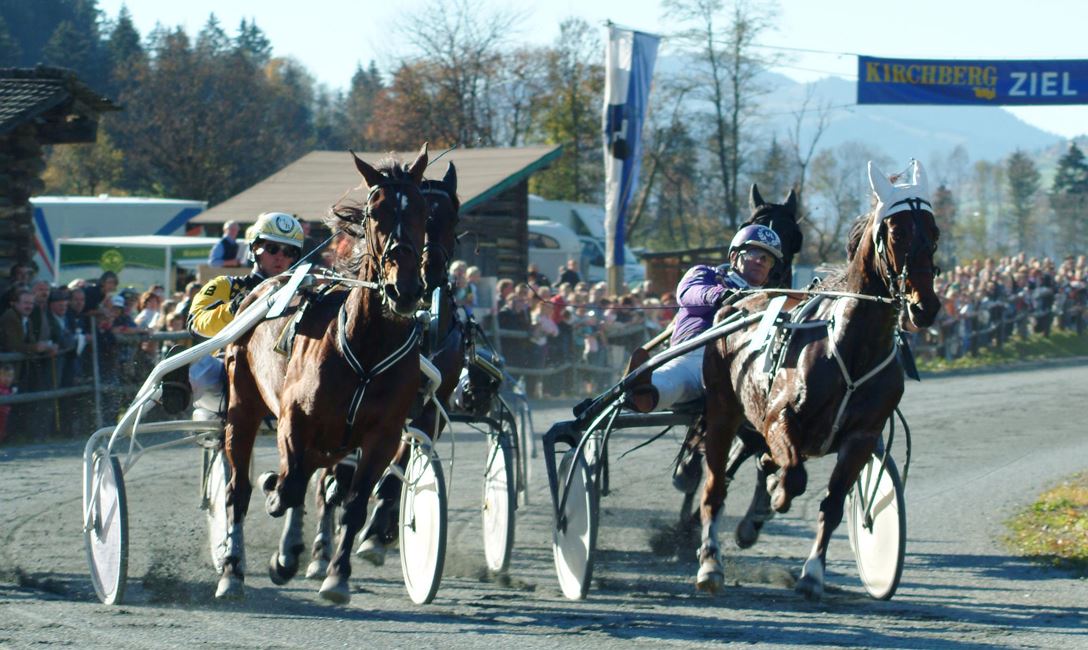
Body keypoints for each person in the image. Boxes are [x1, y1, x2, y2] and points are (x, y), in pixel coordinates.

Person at [627, 224, 782, 413]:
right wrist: (722, 295)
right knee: (677, 379)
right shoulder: (707, 274)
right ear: (734, 257)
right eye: (754, 254)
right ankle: (644, 392)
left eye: (768, 259)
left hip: (747, 361)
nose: (761, 261)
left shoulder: (773, 298)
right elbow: (688, 293)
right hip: (696, 352)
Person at [187, 212, 303, 418]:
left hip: (286, 376)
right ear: (254, 249)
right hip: (227, 375)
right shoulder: (227, 285)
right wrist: (237, 308)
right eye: (273, 248)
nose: (280, 256)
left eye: (289, 251)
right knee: (191, 363)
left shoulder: (302, 295)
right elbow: (196, 324)